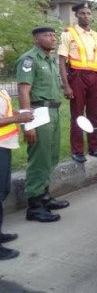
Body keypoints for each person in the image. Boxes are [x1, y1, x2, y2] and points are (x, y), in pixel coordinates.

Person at [16, 26, 69, 223]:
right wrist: (27, 124)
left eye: (54, 35)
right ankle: (34, 205)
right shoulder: (29, 60)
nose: (53, 39)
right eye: (47, 36)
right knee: (39, 158)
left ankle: (44, 196)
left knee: (51, 156)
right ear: (36, 40)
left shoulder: (49, 60)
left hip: (53, 111)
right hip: (38, 112)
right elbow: (23, 92)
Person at [57, 3, 97, 163]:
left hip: (95, 77)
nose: (86, 16)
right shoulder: (69, 33)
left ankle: (94, 148)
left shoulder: (95, 35)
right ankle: (77, 150)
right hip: (77, 76)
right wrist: (66, 85)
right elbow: (61, 60)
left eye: (88, 13)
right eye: (82, 13)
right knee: (78, 114)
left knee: (95, 115)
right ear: (77, 15)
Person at [0, 90, 33, 260]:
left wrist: (20, 113)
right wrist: (17, 119)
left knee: (3, 191)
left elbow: (4, 112)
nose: (2, 63)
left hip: (4, 145)